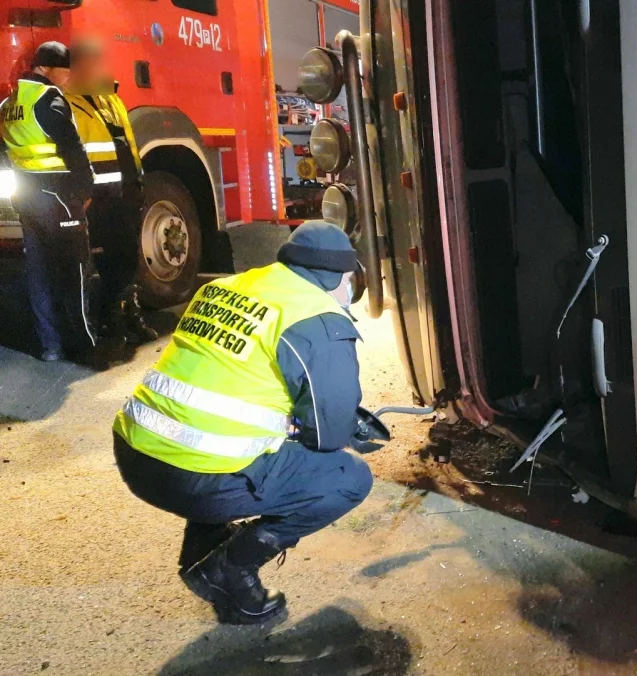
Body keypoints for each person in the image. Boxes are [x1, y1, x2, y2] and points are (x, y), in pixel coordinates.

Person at [113, 221, 373, 625]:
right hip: (191, 479)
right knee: (348, 478)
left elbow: (226, 380)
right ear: (341, 277)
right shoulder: (319, 319)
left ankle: (201, 551)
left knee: (225, 443)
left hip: (134, 452)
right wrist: (310, 423)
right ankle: (228, 571)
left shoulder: (226, 287)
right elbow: (329, 436)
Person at [0, 42, 111, 363]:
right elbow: (72, 148)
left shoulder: (9, 103)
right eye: (65, 70)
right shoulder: (48, 100)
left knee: (39, 273)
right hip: (59, 197)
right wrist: (84, 190)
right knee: (75, 271)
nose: (69, 77)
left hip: (27, 199)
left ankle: (51, 347)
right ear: (47, 68)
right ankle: (86, 346)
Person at [68, 38, 157, 348]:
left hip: (125, 194)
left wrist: (138, 183)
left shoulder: (111, 98)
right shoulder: (66, 102)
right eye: (91, 62)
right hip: (98, 199)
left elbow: (127, 145)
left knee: (128, 258)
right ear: (75, 67)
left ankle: (130, 316)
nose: (99, 67)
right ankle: (109, 321)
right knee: (105, 264)